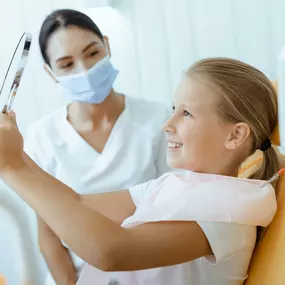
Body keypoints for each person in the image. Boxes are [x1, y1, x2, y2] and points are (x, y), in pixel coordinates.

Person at [0, 57, 280, 285]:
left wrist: (13, 168)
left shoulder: (228, 215)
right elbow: (78, 203)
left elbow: (111, 252)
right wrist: (16, 155)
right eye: (174, 109)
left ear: (235, 136)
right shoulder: (173, 185)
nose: (167, 124)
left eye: (186, 113)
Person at [24, 9, 171, 285]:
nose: (85, 70)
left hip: (154, 273)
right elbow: (48, 237)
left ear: (107, 45)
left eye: (92, 53)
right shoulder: (42, 136)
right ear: (51, 72)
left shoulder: (157, 120)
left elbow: (176, 211)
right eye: (67, 64)